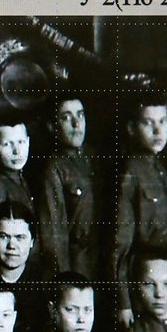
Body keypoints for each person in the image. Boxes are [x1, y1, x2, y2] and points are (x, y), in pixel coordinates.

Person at [111, 96, 167, 329]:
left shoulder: (160, 170)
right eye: (148, 123)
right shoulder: (131, 172)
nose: (158, 130)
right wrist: (123, 302)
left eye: (163, 121)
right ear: (132, 128)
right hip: (141, 283)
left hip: (162, 278)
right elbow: (120, 245)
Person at [37, 96, 104, 278]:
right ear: (52, 127)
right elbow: (54, 233)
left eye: (80, 115)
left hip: (103, 259)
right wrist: (64, 278)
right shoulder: (54, 168)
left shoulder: (95, 158)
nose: (76, 124)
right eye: (66, 118)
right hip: (77, 265)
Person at [0, 199, 49, 332]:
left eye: (20, 238)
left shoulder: (45, 283)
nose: (12, 245)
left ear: (32, 241)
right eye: (3, 236)